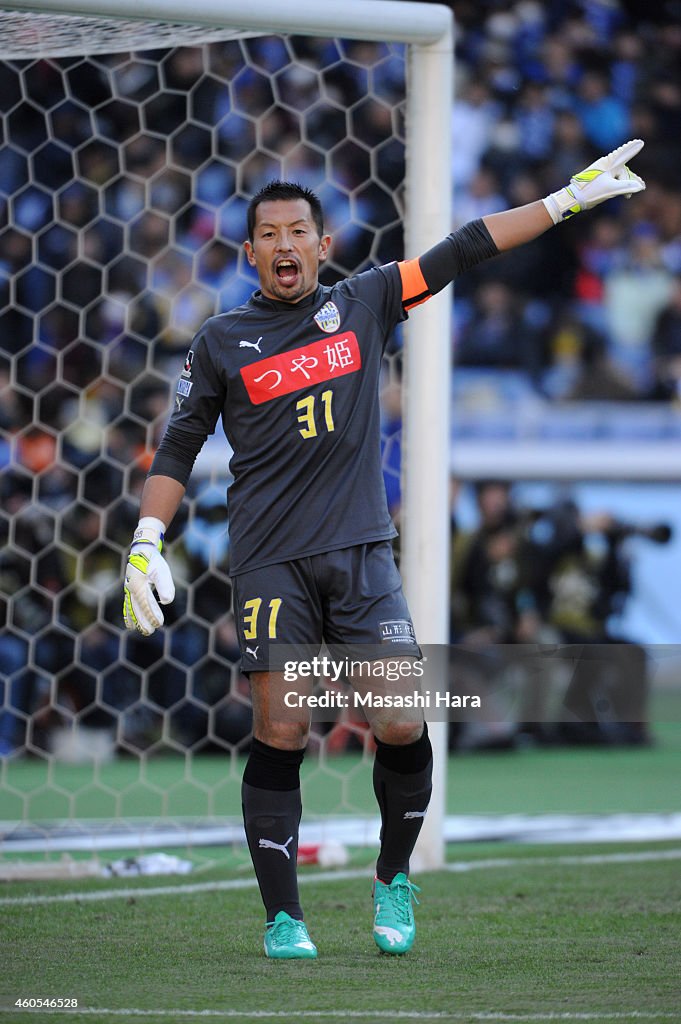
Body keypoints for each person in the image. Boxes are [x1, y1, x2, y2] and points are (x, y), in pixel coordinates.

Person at [123, 140, 646, 958]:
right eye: (271, 232)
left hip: (363, 552)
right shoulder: (221, 341)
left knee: (400, 720)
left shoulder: (365, 300)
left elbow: (462, 248)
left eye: (301, 230)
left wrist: (561, 204)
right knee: (283, 726)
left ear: (323, 245)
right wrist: (146, 540)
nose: (287, 243)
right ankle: (283, 917)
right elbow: (178, 445)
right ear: (250, 249)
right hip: (269, 562)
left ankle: (392, 878)